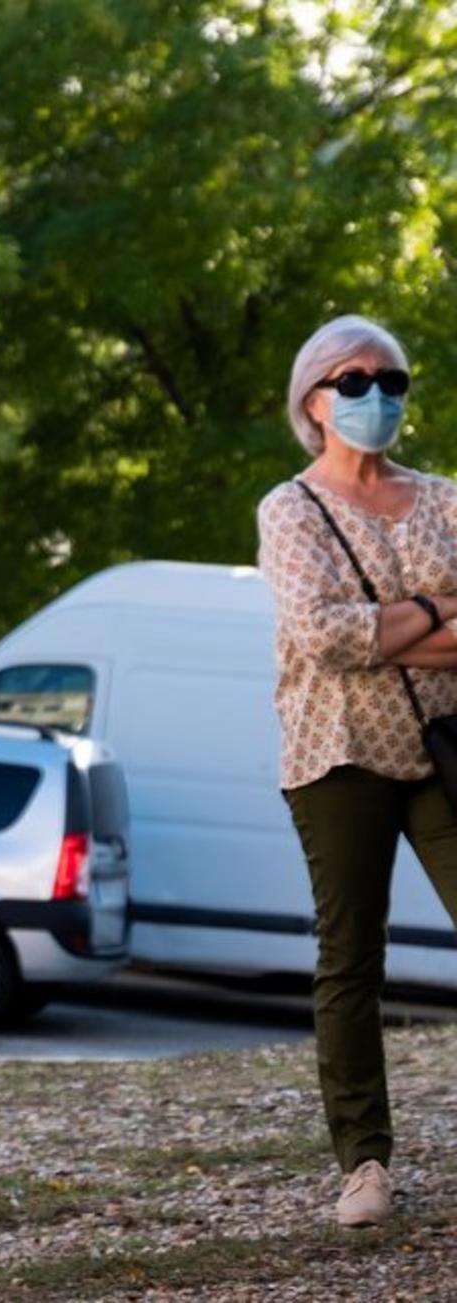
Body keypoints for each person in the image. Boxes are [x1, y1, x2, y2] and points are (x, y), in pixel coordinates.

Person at [258, 314, 457, 1229]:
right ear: (313, 400)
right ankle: (364, 1162)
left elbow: (357, 633)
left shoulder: (447, 498)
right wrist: (431, 605)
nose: (375, 395)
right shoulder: (289, 509)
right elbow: (323, 637)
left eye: (392, 380)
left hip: (445, 749)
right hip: (335, 752)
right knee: (352, 957)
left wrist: (382, 629)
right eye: (353, 379)